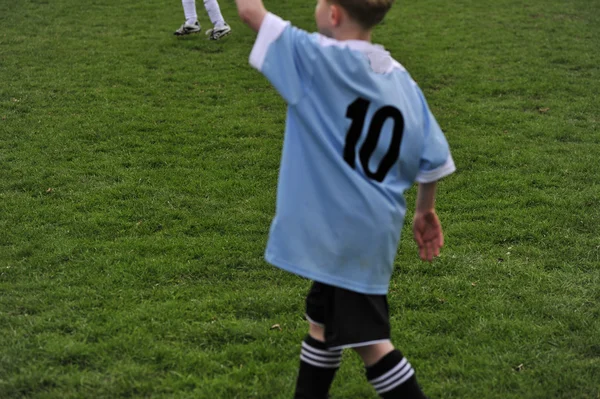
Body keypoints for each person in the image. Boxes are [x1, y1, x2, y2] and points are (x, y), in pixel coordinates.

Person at [234, 0, 456, 397]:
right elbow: (433, 158)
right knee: (322, 325)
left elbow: (251, 12)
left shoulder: (315, 57)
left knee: (371, 344)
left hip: (339, 233)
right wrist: (426, 210)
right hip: (370, 229)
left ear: (333, 14)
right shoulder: (400, 76)